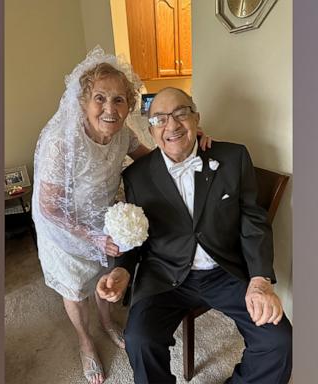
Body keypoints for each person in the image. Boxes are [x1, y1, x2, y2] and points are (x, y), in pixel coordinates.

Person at [32, 48, 211, 384]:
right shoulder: (62, 142)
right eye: (100, 98)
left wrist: (189, 142)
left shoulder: (124, 134)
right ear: (83, 101)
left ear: (129, 105)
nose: (110, 109)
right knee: (75, 288)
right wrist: (92, 236)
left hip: (103, 219)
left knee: (107, 276)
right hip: (64, 226)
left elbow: (152, 161)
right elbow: (50, 207)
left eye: (119, 100)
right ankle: (85, 342)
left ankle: (108, 322)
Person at [97, 87, 293, 384]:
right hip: (164, 274)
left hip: (224, 271)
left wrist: (260, 278)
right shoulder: (136, 175)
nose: (172, 125)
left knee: (278, 340)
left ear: (196, 117)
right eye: (160, 119)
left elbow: (253, 222)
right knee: (139, 338)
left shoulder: (232, 156)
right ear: (150, 131)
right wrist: (123, 269)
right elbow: (133, 234)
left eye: (181, 113)